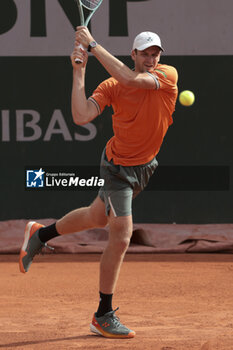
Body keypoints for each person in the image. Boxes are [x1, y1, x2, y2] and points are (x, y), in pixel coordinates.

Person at [19, 28, 178, 338]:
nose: (151, 58)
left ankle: (41, 234)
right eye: (144, 53)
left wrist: (92, 44)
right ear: (133, 55)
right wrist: (79, 73)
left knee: (95, 217)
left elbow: (133, 80)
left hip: (144, 167)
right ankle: (102, 314)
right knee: (121, 234)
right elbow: (81, 116)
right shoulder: (112, 85)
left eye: (155, 53)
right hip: (117, 166)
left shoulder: (167, 75)